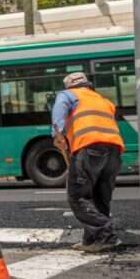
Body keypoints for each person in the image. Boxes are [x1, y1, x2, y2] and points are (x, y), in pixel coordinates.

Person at [52, 71, 123, 253]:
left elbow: (59, 110)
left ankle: (107, 234)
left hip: (89, 147)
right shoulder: (103, 100)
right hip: (114, 150)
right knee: (100, 198)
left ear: (69, 86)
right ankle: (91, 241)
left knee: (77, 196)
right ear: (87, 84)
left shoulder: (68, 95)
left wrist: (57, 134)